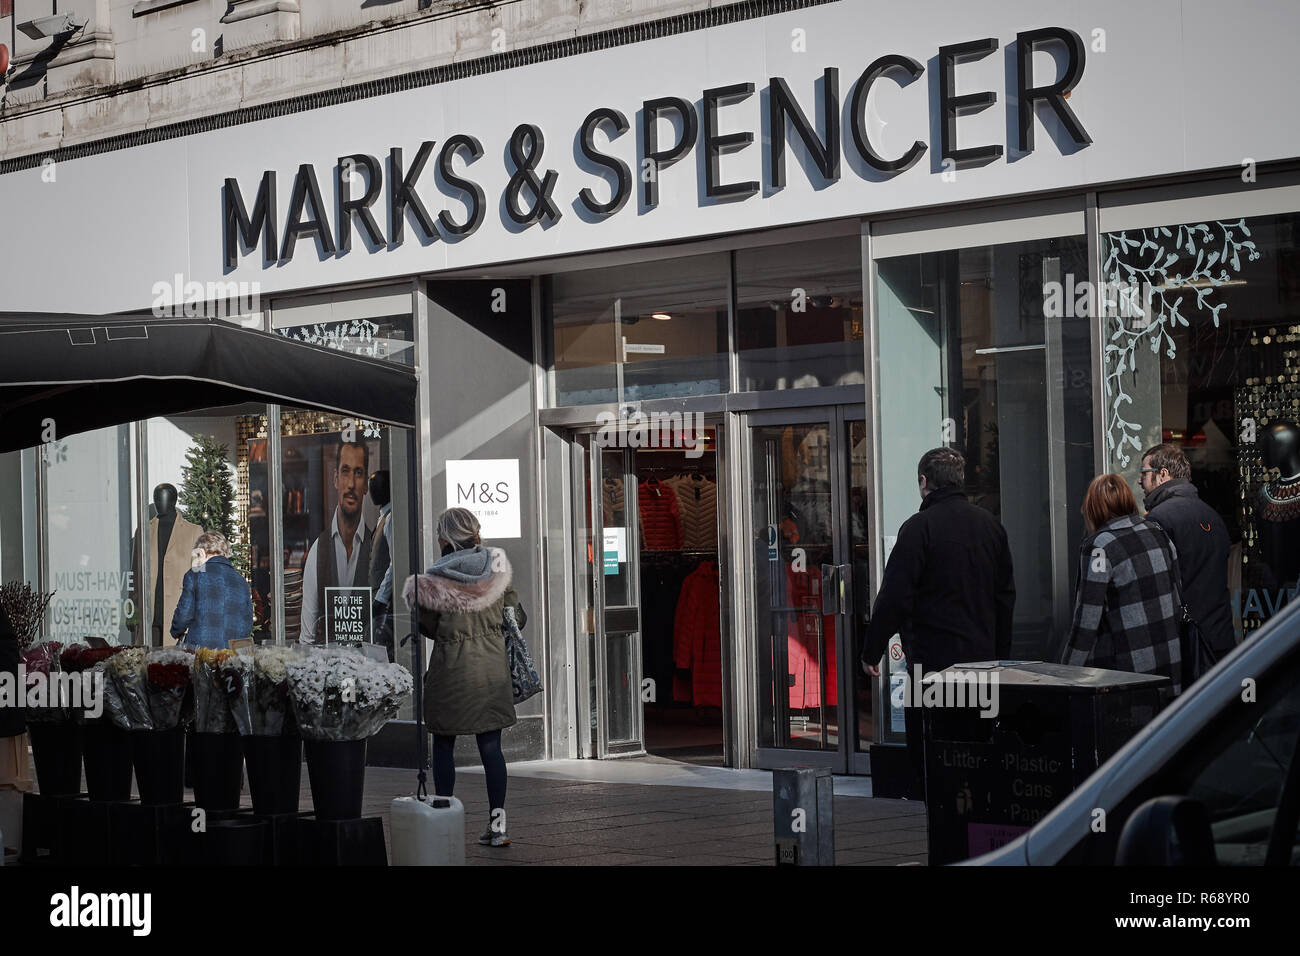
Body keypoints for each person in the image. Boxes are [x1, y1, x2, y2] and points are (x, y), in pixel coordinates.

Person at [860, 447, 1016, 798]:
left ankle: (940, 815)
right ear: (960, 480)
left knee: (930, 752)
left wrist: (873, 648)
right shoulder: (991, 526)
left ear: (924, 482)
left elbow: (895, 596)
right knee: (975, 747)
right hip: (981, 661)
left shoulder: (918, 528)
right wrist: (1000, 653)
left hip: (929, 662)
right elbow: (1005, 596)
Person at [403, 507, 523, 847]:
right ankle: (498, 826)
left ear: (446, 539)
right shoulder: (497, 571)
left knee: (443, 744)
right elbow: (518, 617)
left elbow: (427, 626)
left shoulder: (434, 579)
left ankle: (446, 824)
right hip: (491, 671)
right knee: (491, 747)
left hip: (451, 670)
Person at [1060, 474, 1184, 696]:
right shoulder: (1157, 531)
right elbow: (1177, 595)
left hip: (1125, 673)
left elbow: (1086, 622)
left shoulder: (1100, 546)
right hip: (1169, 665)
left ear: (1094, 508)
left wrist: (1065, 676)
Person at [1139, 443, 1235, 661]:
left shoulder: (1158, 519)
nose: (1139, 481)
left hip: (1185, 642)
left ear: (1162, 475)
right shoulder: (1213, 516)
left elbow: (1157, 585)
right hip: (1219, 636)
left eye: (1144, 474)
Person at [300, 439, 374, 643]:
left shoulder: (375, 546)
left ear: (366, 484)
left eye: (358, 473)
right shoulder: (319, 549)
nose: (351, 484)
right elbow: (308, 627)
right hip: (328, 667)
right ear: (335, 479)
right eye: (345, 471)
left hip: (369, 668)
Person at [170, 530, 254, 650]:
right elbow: (246, 625)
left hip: (200, 654)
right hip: (230, 657)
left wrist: (176, 631)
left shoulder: (195, 575)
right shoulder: (242, 582)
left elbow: (183, 615)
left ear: (203, 551)